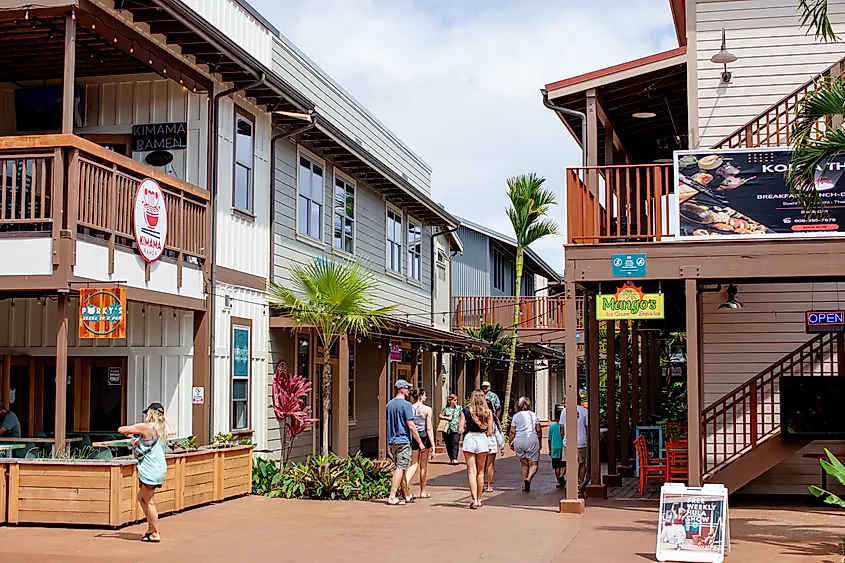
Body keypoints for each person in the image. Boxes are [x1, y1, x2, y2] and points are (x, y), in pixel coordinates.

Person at [118, 402, 168, 543]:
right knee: (142, 498)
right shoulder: (162, 430)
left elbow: (121, 429)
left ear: (151, 413)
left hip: (150, 470)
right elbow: (148, 445)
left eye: (147, 413)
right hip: (158, 468)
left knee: (149, 501)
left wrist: (132, 430)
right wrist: (134, 439)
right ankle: (151, 528)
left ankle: (155, 532)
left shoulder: (146, 427)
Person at [386, 379, 425, 506]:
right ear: (402, 389)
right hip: (403, 440)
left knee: (402, 468)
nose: (409, 391)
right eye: (407, 388)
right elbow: (411, 425)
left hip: (393, 441)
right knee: (400, 467)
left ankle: (406, 495)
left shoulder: (389, 405)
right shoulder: (406, 405)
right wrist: (420, 442)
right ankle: (392, 496)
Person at [459, 390, 493, 509]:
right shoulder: (488, 412)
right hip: (482, 440)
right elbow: (490, 432)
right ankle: (479, 499)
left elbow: (460, 430)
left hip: (470, 439)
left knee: (471, 471)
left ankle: (473, 499)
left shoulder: (466, 411)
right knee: (480, 472)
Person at [405, 388, 434, 498]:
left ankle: (405, 484)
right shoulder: (427, 409)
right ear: (421, 396)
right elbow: (429, 428)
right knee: (423, 465)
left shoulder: (409, 408)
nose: (426, 397)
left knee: (413, 463)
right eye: (425, 395)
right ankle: (422, 491)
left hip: (413, 436)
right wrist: (432, 444)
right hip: (423, 436)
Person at [509, 396, 542, 492]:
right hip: (531, 439)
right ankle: (528, 479)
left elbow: (512, 431)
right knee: (534, 464)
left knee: (524, 464)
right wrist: (540, 442)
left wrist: (511, 442)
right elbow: (538, 430)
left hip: (519, 440)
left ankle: (524, 484)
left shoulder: (516, 416)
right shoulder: (533, 415)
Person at [559, 395, 588, 493]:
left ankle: (572, 483)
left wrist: (563, 437)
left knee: (570, 463)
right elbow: (587, 427)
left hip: (568, 441)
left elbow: (562, 427)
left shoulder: (564, 411)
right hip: (582, 441)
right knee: (582, 463)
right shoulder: (584, 411)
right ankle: (581, 482)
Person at [483, 398, 503, 493]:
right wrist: (502, 447)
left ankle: (481, 483)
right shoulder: (494, 418)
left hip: (481, 442)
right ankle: (489, 486)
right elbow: (498, 434)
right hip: (491, 443)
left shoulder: (480, 417)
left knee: (481, 465)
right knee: (490, 465)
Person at [439, 394, 462, 465]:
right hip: (447, 428)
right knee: (448, 444)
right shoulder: (446, 408)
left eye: (456, 400)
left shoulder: (459, 408)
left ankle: (455, 458)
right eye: (454, 400)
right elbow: (440, 415)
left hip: (456, 428)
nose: (456, 401)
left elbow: (462, 417)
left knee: (455, 443)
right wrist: (446, 418)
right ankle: (451, 458)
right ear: (450, 401)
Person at [548, 418, 564, 488]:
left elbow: (549, 439)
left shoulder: (552, 427)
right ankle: (562, 474)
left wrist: (550, 449)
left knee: (556, 466)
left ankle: (558, 481)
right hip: (563, 446)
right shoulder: (564, 426)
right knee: (565, 464)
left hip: (554, 447)